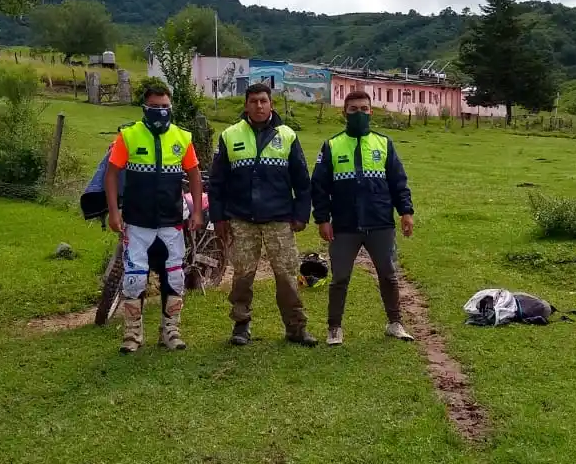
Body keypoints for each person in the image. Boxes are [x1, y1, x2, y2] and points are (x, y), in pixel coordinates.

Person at [211, 82, 317, 347]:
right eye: (254, 101)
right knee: (242, 276)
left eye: (264, 101)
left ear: (271, 104)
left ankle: (295, 327)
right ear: (246, 105)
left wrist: (302, 214)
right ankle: (241, 325)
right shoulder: (230, 136)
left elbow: (302, 181)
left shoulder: (288, 135)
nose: (259, 106)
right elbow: (217, 183)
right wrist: (219, 218)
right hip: (241, 219)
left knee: (287, 276)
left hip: (279, 219)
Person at [104, 84, 204, 353]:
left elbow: (194, 175)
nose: (161, 111)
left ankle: (170, 331)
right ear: (145, 107)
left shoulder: (182, 137)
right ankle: (132, 335)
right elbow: (111, 174)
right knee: (135, 279)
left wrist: (196, 212)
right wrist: (114, 212)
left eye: (165, 106)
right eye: (155, 106)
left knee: (175, 277)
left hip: (172, 222)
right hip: (137, 222)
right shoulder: (129, 136)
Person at [310, 90, 415, 346]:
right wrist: (323, 219)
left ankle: (395, 323)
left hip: (380, 222)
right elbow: (319, 187)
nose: (359, 113)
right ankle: (334, 328)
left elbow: (398, 182)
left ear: (371, 112)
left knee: (388, 274)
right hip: (344, 225)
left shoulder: (384, 144)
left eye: (364, 109)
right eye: (354, 109)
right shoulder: (332, 145)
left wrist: (406, 211)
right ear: (344, 112)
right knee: (340, 278)